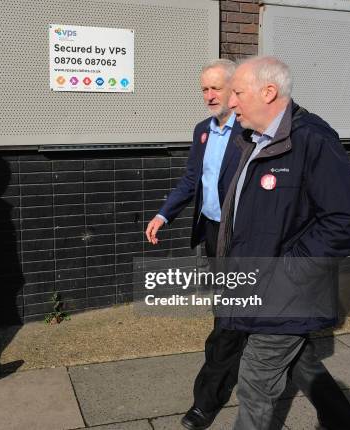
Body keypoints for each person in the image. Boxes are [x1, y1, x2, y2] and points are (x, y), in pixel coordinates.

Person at [217, 56, 350, 429]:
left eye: (237, 92)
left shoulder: (312, 140)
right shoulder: (251, 140)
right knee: (301, 362)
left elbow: (344, 222)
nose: (230, 102)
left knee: (254, 383)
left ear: (269, 92)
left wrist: (286, 274)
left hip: (285, 290)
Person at [145, 59, 245, 430]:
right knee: (229, 311)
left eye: (215, 88)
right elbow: (192, 180)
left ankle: (206, 399)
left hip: (241, 237)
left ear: (234, 87)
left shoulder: (249, 132)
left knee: (228, 319)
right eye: (204, 89)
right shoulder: (203, 130)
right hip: (210, 232)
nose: (208, 96)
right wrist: (163, 215)